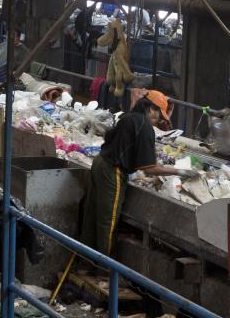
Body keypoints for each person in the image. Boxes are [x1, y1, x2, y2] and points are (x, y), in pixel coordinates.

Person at [81, 91, 192, 255]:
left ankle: (85, 263)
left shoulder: (130, 117)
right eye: (158, 115)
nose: (159, 120)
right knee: (108, 222)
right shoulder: (144, 127)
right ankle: (103, 272)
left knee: (91, 216)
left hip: (100, 163)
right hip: (112, 171)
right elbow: (149, 168)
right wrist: (180, 171)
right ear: (150, 108)